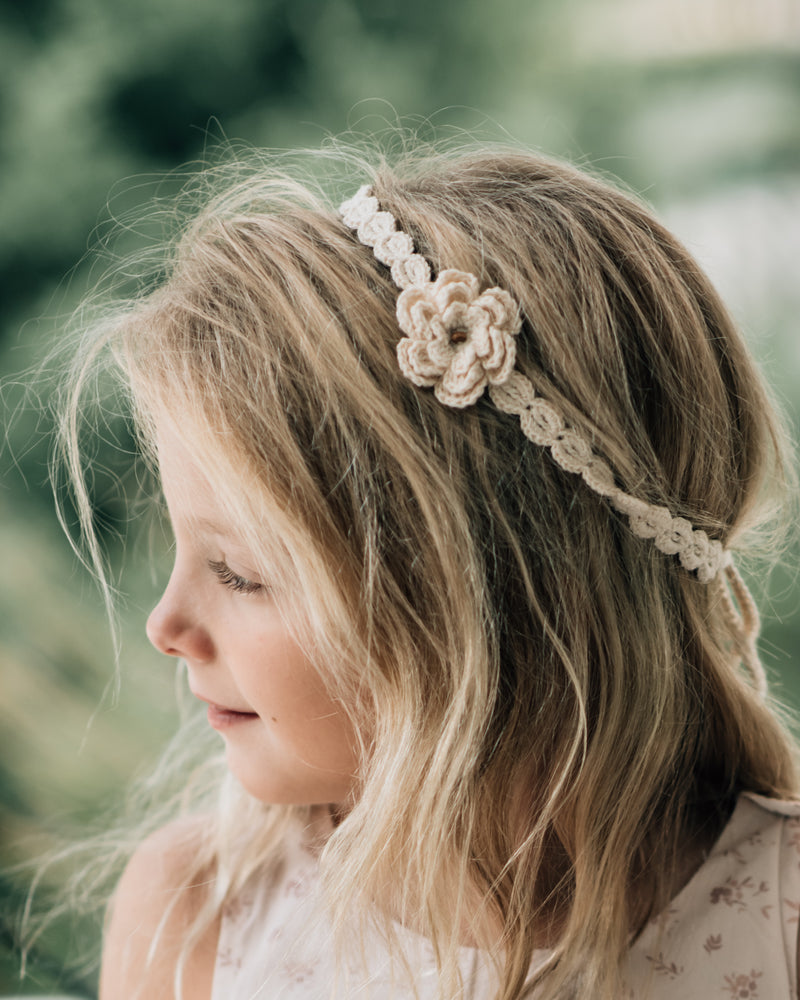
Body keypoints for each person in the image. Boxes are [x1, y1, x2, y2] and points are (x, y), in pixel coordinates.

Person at [56, 144, 800, 999]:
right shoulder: (198, 917)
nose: (166, 626)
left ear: (493, 602)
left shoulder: (779, 918)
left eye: (240, 573)